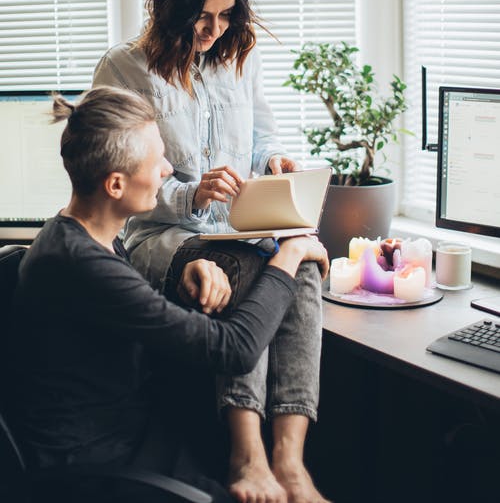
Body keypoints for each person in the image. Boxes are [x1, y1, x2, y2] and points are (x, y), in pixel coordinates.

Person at [92, 0, 329, 503]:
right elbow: (115, 182)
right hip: (164, 234)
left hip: (236, 228)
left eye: (226, 16)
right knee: (246, 272)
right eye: (202, 16)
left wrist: (271, 158)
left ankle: (290, 462)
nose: (213, 30)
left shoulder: (237, 59)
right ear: (170, 5)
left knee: (305, 271)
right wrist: (190, 193)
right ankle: (245, 453)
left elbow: (262, 133)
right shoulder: (126, 68)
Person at [8, 86, 329, 503]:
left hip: (131, 429)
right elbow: (235, 350)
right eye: (155, 160)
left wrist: (182, 277)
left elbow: (118, 314)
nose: (166, 170)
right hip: (99, 467)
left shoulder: (81, 234)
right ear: (116, 184)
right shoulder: (80, 263)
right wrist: (291, 252)